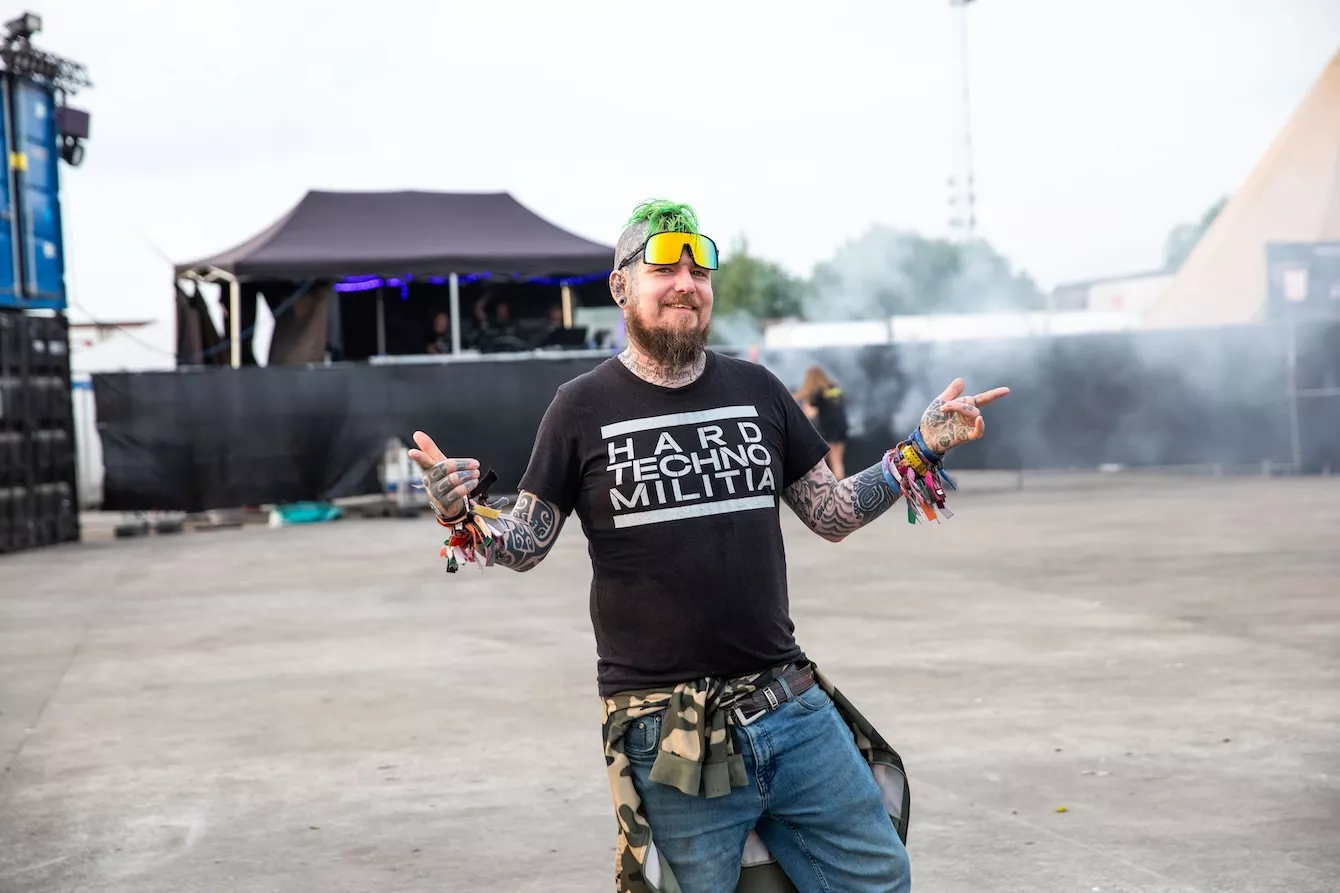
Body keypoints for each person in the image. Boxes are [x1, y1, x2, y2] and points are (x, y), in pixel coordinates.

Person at [408, 199, 1009, 893]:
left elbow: (833, 512)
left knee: (878, 877)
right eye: (664, 268)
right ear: (621, 286)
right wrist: (461, 512)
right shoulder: (579, 406)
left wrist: (921, 448)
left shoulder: (758, 390)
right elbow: (526, 541)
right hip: (669, 735)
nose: (686, 284)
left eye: (699, 270)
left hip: (790, 707)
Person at [793, 365, 849, 478]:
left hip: (828, 428)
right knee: (837, 461)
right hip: (842, 426)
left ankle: (820, 484)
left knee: (822, 461)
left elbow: (809, 413)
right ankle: (841, 483)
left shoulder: (816, 393)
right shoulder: (835, 389)